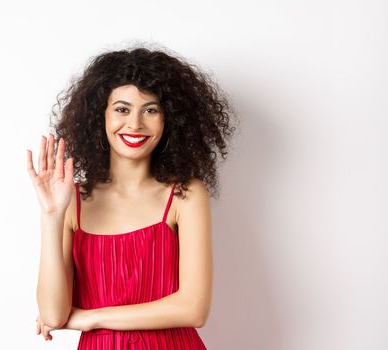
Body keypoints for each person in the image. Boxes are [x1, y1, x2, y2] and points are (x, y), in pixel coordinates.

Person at [26, 45, 237, 349]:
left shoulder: (185, 195)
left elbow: (193, 309)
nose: (135, 124)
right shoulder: (72, 200)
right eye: (122, 109)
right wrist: (50, 215)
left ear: (169, 121)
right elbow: (53, 314)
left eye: (150, 110)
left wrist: (92, 318)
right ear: (100, 116)